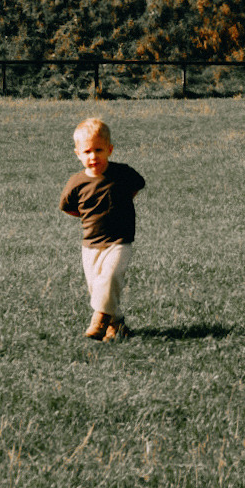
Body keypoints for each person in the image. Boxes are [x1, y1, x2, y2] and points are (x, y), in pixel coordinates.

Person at [59, 117, 145, 341]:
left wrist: (122, 204)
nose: (93, 156)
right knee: (97, 287)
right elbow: (68, 207)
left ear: (110, 149)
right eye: (87, 152)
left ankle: (99, 320)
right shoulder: (76, 183)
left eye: (99, 150)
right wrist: (89, 216)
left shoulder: (122, 173)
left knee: (111, 276)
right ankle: (117, 325)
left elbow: (136, 186)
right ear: (78, 154)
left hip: (119, 240)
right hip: (91, 244)